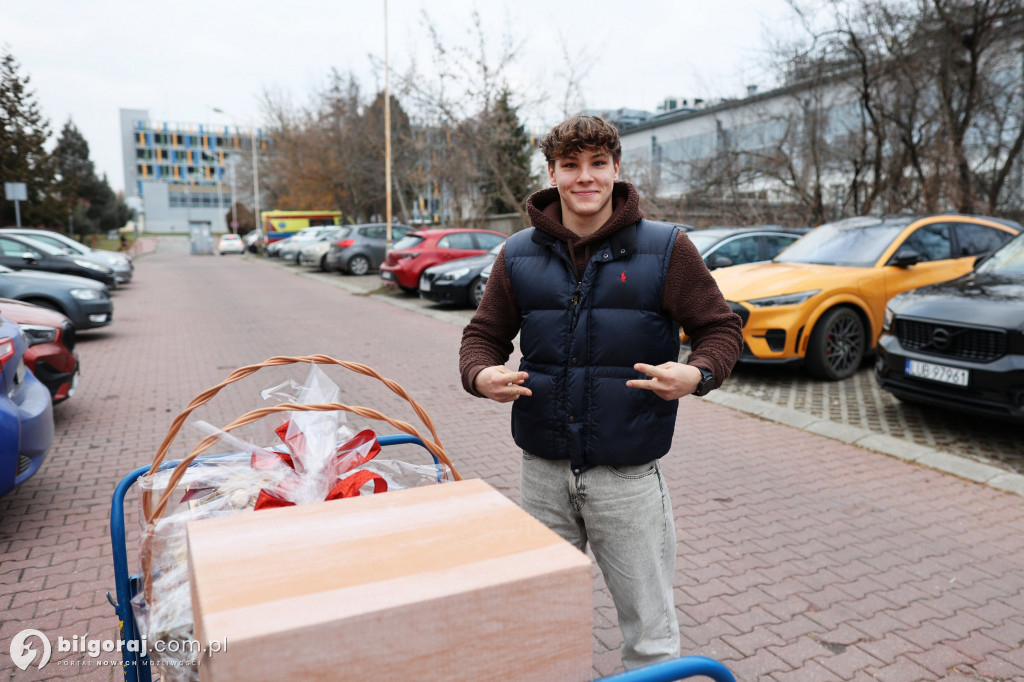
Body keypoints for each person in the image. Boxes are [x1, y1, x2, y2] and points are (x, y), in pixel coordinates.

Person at [459, 115, 743, 669]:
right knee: (540, 623)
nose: (583, 178)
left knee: (650, 634)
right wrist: (480, 375)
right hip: (542, 475)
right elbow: (483, 337)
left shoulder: (666, 248)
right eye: (570, 165)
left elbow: (721, 329)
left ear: (616, 168)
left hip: (628, 480)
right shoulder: (517, 253)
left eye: (596, 164)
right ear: (552, 173)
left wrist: (698, 374)